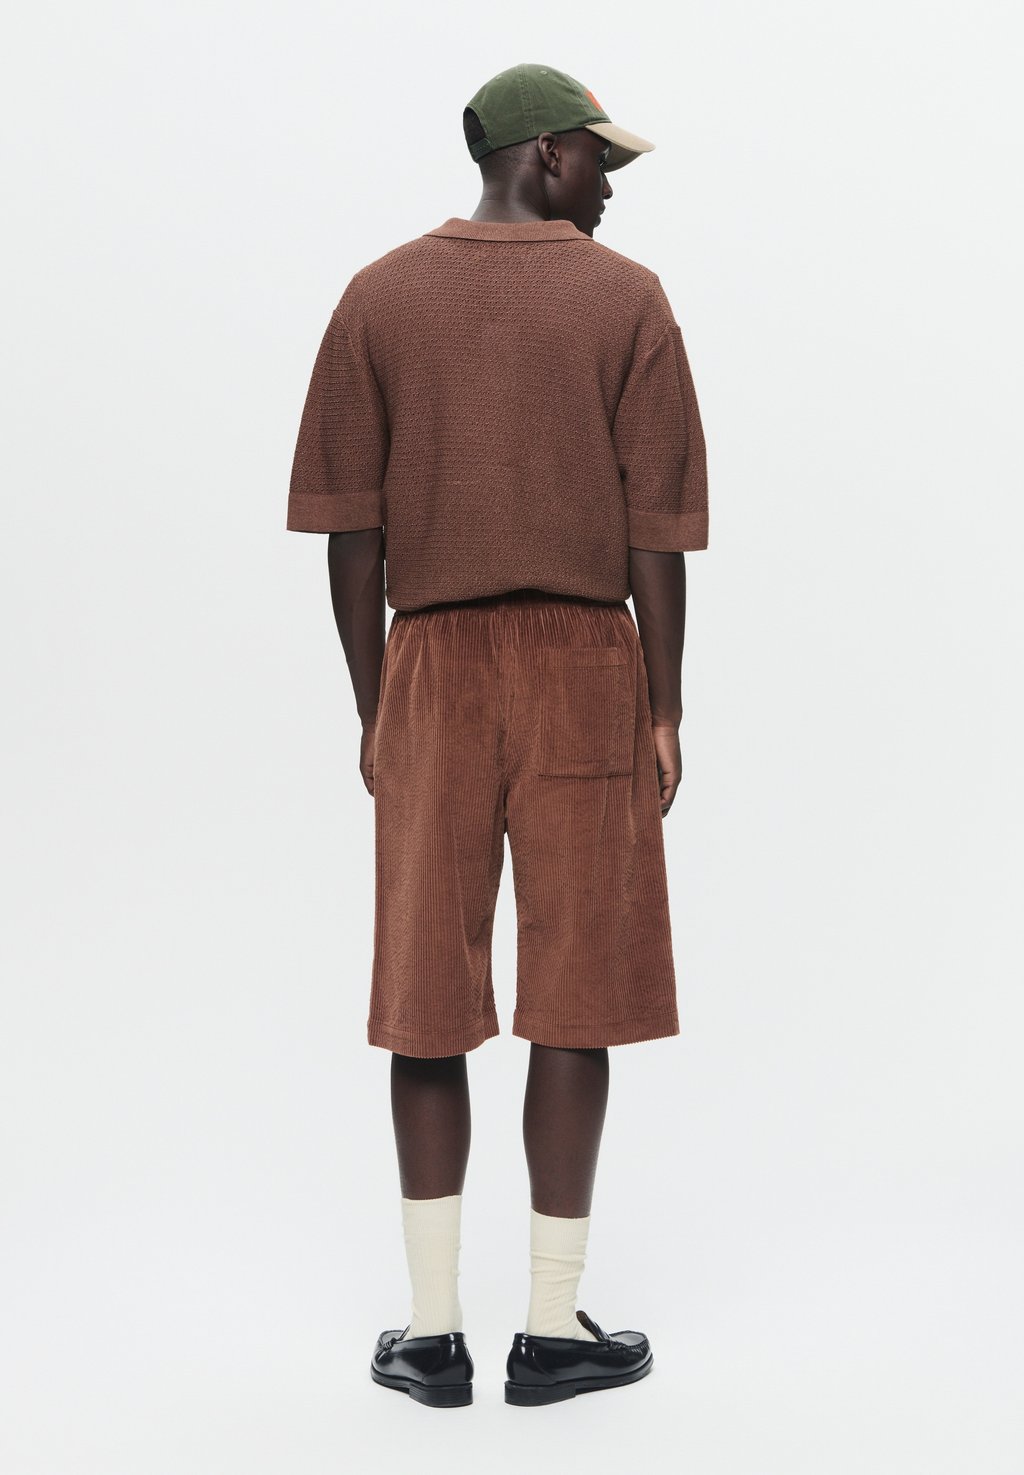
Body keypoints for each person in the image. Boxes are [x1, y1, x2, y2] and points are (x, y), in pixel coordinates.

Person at [286, 61, 709, 1409]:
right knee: (577, 990)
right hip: (585, 662)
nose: (610, 188)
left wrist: (377, 705)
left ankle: (430, 1336)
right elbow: (655, 529)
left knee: (426, 990)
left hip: (432, 663)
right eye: (599, 162)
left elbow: (350, 532)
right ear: (543, 157)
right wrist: (664, 702)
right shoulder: (627, 301)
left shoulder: (378, 297)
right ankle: (551, 1326)